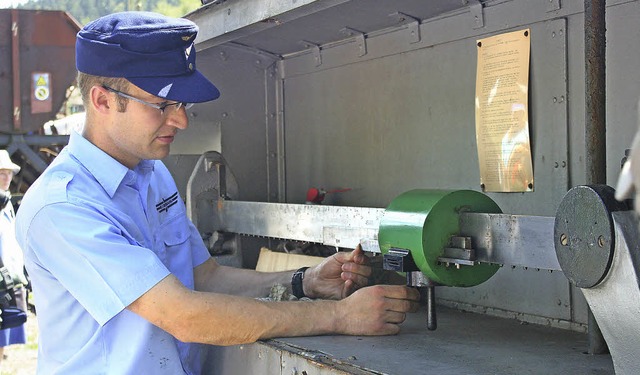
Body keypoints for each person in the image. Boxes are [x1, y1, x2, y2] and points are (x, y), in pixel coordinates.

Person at [15, 11, 420, 374]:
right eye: (162, 104)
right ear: (102, 100)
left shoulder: (151, 174)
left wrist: (305, 281)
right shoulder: (64, 207)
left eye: (183, 105)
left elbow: (203, 278)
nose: (181, 121)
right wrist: (338, 317)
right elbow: (183, 314)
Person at [0, 150, 28, 367]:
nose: (6, 177)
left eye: (8, 173)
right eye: (1, 173)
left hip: (10, 275)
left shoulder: (7, 202)